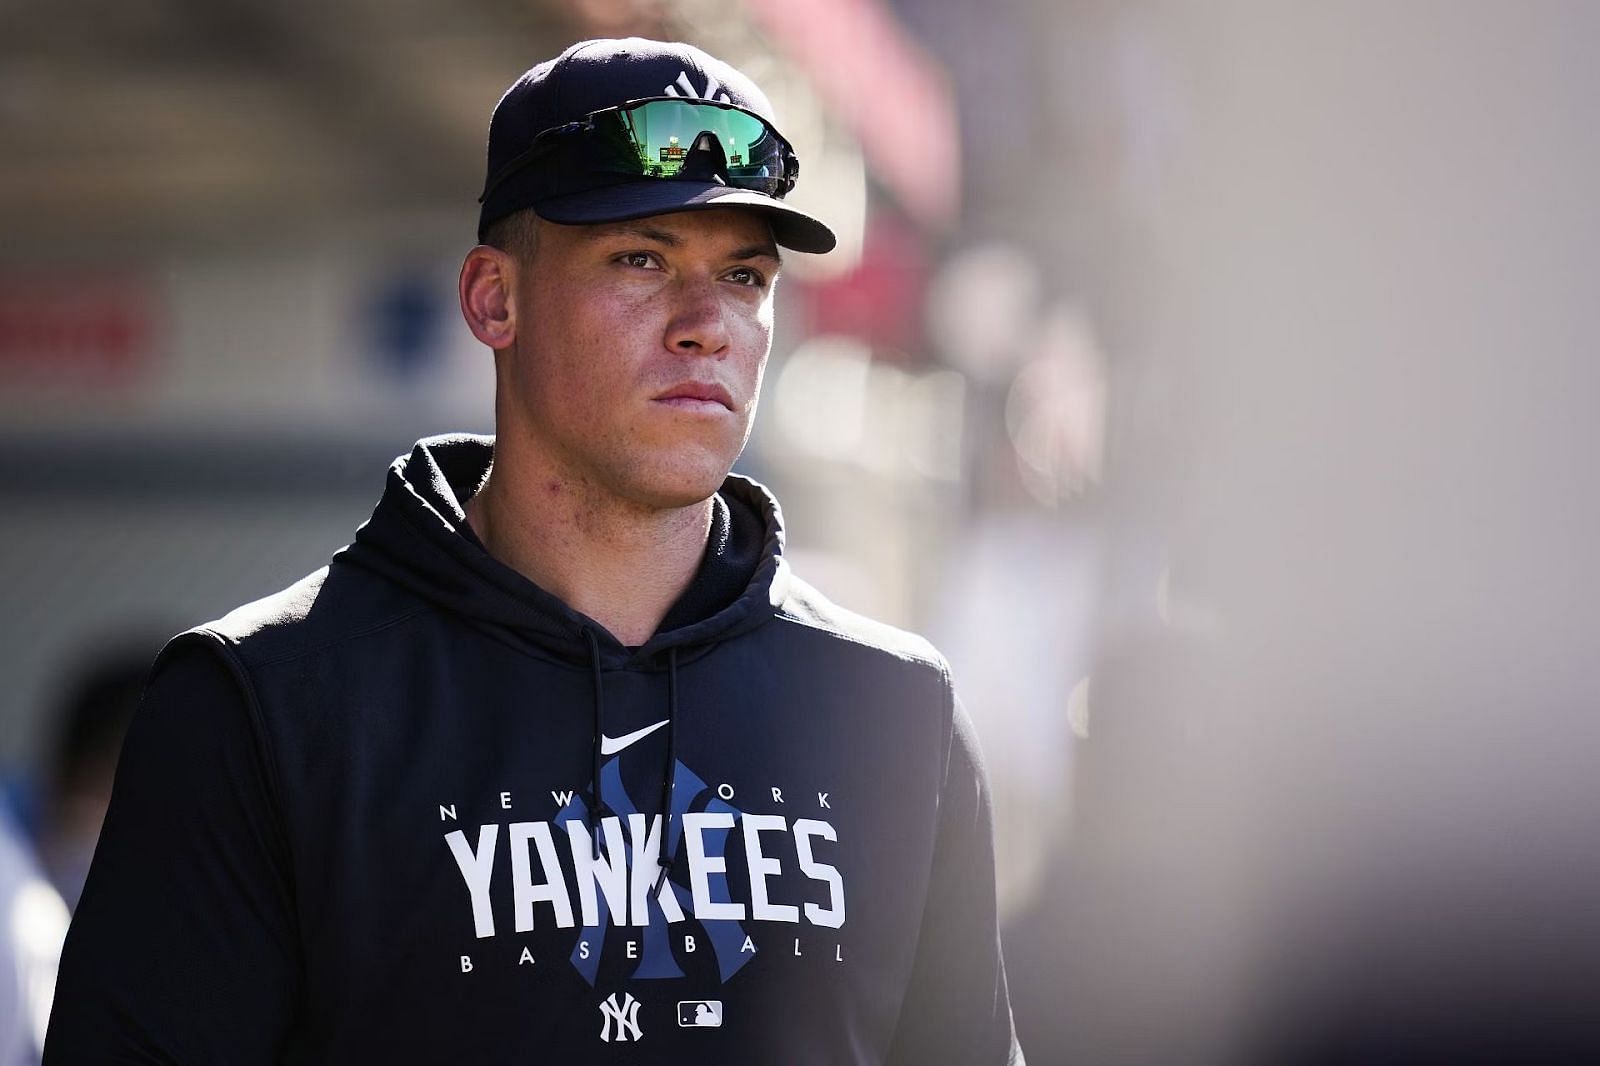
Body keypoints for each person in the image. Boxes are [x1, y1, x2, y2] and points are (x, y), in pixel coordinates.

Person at [45, 38, 1021, 1064]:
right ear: (492, 299)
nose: (708, 325)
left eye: (743, 275)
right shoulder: (264, 708)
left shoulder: (894, 711)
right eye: (641, 259)